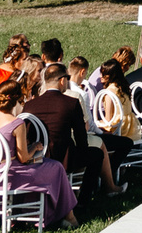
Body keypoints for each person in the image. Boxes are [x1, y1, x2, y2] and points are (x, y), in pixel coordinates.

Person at [0, 80, 78, 228]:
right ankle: (68, 216)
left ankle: (22, 215)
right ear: (16, 100)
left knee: (49, 168)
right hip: (10, 176)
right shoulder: (17, 123)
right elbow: (24, 158)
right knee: (57, 167)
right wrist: (34, 147)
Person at [27, 64, 104, 203]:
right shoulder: (71, 103)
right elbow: (81, 137)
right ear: (62, 80)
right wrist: (82, 151)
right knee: (97, 154)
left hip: (35, 158)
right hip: (63, 158)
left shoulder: (30, 105)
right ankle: (84, 201)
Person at [91, 58, 139, 195]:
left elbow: (109, 120)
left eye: (104, 74)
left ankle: (108, 172)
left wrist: (97, 124)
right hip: (129, 125)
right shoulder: (122, 86)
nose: (100, 77)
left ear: (110, 76)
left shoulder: (109, 92)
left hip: (117, 127)